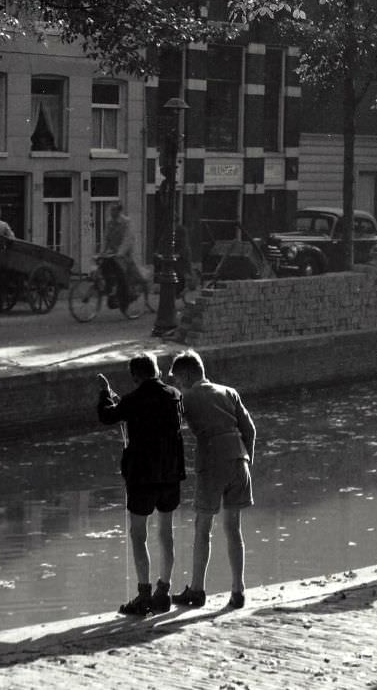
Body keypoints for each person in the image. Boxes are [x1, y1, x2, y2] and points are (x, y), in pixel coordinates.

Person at [97, 352, 185, 615]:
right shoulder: (175, 395)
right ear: (156, 371)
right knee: (166, 533)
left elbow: (108, 416)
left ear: (135, 376)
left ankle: (143, 593)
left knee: (139, 535)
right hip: (170, 474)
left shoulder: (133, 400)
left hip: (142, 476)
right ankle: (164, 591)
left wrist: (104, 394)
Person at [168, 349, 255, 609]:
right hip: (239, 460)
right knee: (233, 528)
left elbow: (171, 427)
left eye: (176, 379)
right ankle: (238, 590)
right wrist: (246, 459)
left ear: (185, 375)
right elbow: (249, 429)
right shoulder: (230, 392)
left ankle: (197, 590)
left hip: (211, 461)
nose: (176, 384)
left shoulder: (186, 398)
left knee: (202, 528)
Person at [100, 202, 151, 311]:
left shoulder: (127, 222)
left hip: (125, 254)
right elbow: (106, 238)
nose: (112, 212)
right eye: (111, 210)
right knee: (104, 269)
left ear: (119, 211)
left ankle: (124, 299)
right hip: (113, 253)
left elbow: (128, 239)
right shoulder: (109, 222)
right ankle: (110, 291)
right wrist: (102, 252)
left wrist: (120, 253)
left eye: (114, 210)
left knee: (121, 276)